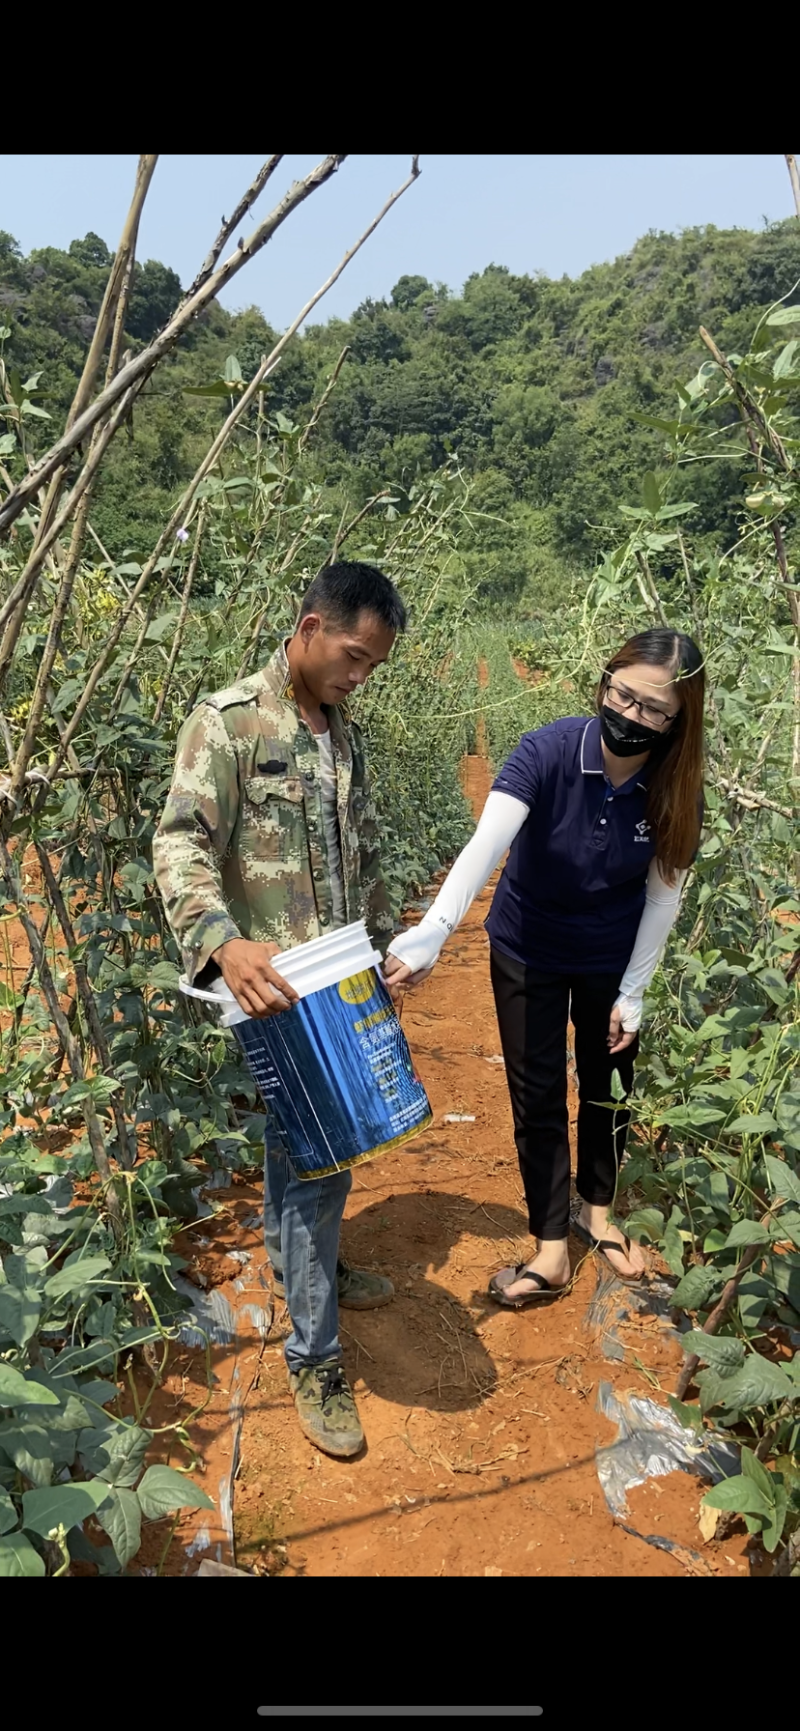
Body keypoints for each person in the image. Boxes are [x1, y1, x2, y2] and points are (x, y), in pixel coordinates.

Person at [153, 561, 407, 1457]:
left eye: (372, 665)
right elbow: (180, 843)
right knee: (312, 1153)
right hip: (272, 993)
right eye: (351, 655)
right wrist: (224, 941)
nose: (358, 675)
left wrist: (383, 949)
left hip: (337, 983)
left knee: (320, 1147)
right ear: (307, 627)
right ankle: (315, 1352)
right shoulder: (226, 722)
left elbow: (361, 843)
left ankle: (313, 1267)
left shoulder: (343, 733)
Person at [384, 628, 705, 1307]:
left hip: (609, 956)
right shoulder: (548, 751)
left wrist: (635, 989)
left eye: (653, 709)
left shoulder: (674, 785)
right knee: (536, 1092)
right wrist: (434, 929)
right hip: (526, 943)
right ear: (604, 681)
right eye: (622, 693)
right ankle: (552, 1248)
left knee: (607, 1083)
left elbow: (663, 894)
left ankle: (597, 1214)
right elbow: (486, 843)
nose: (631, 715)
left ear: (679, 719)